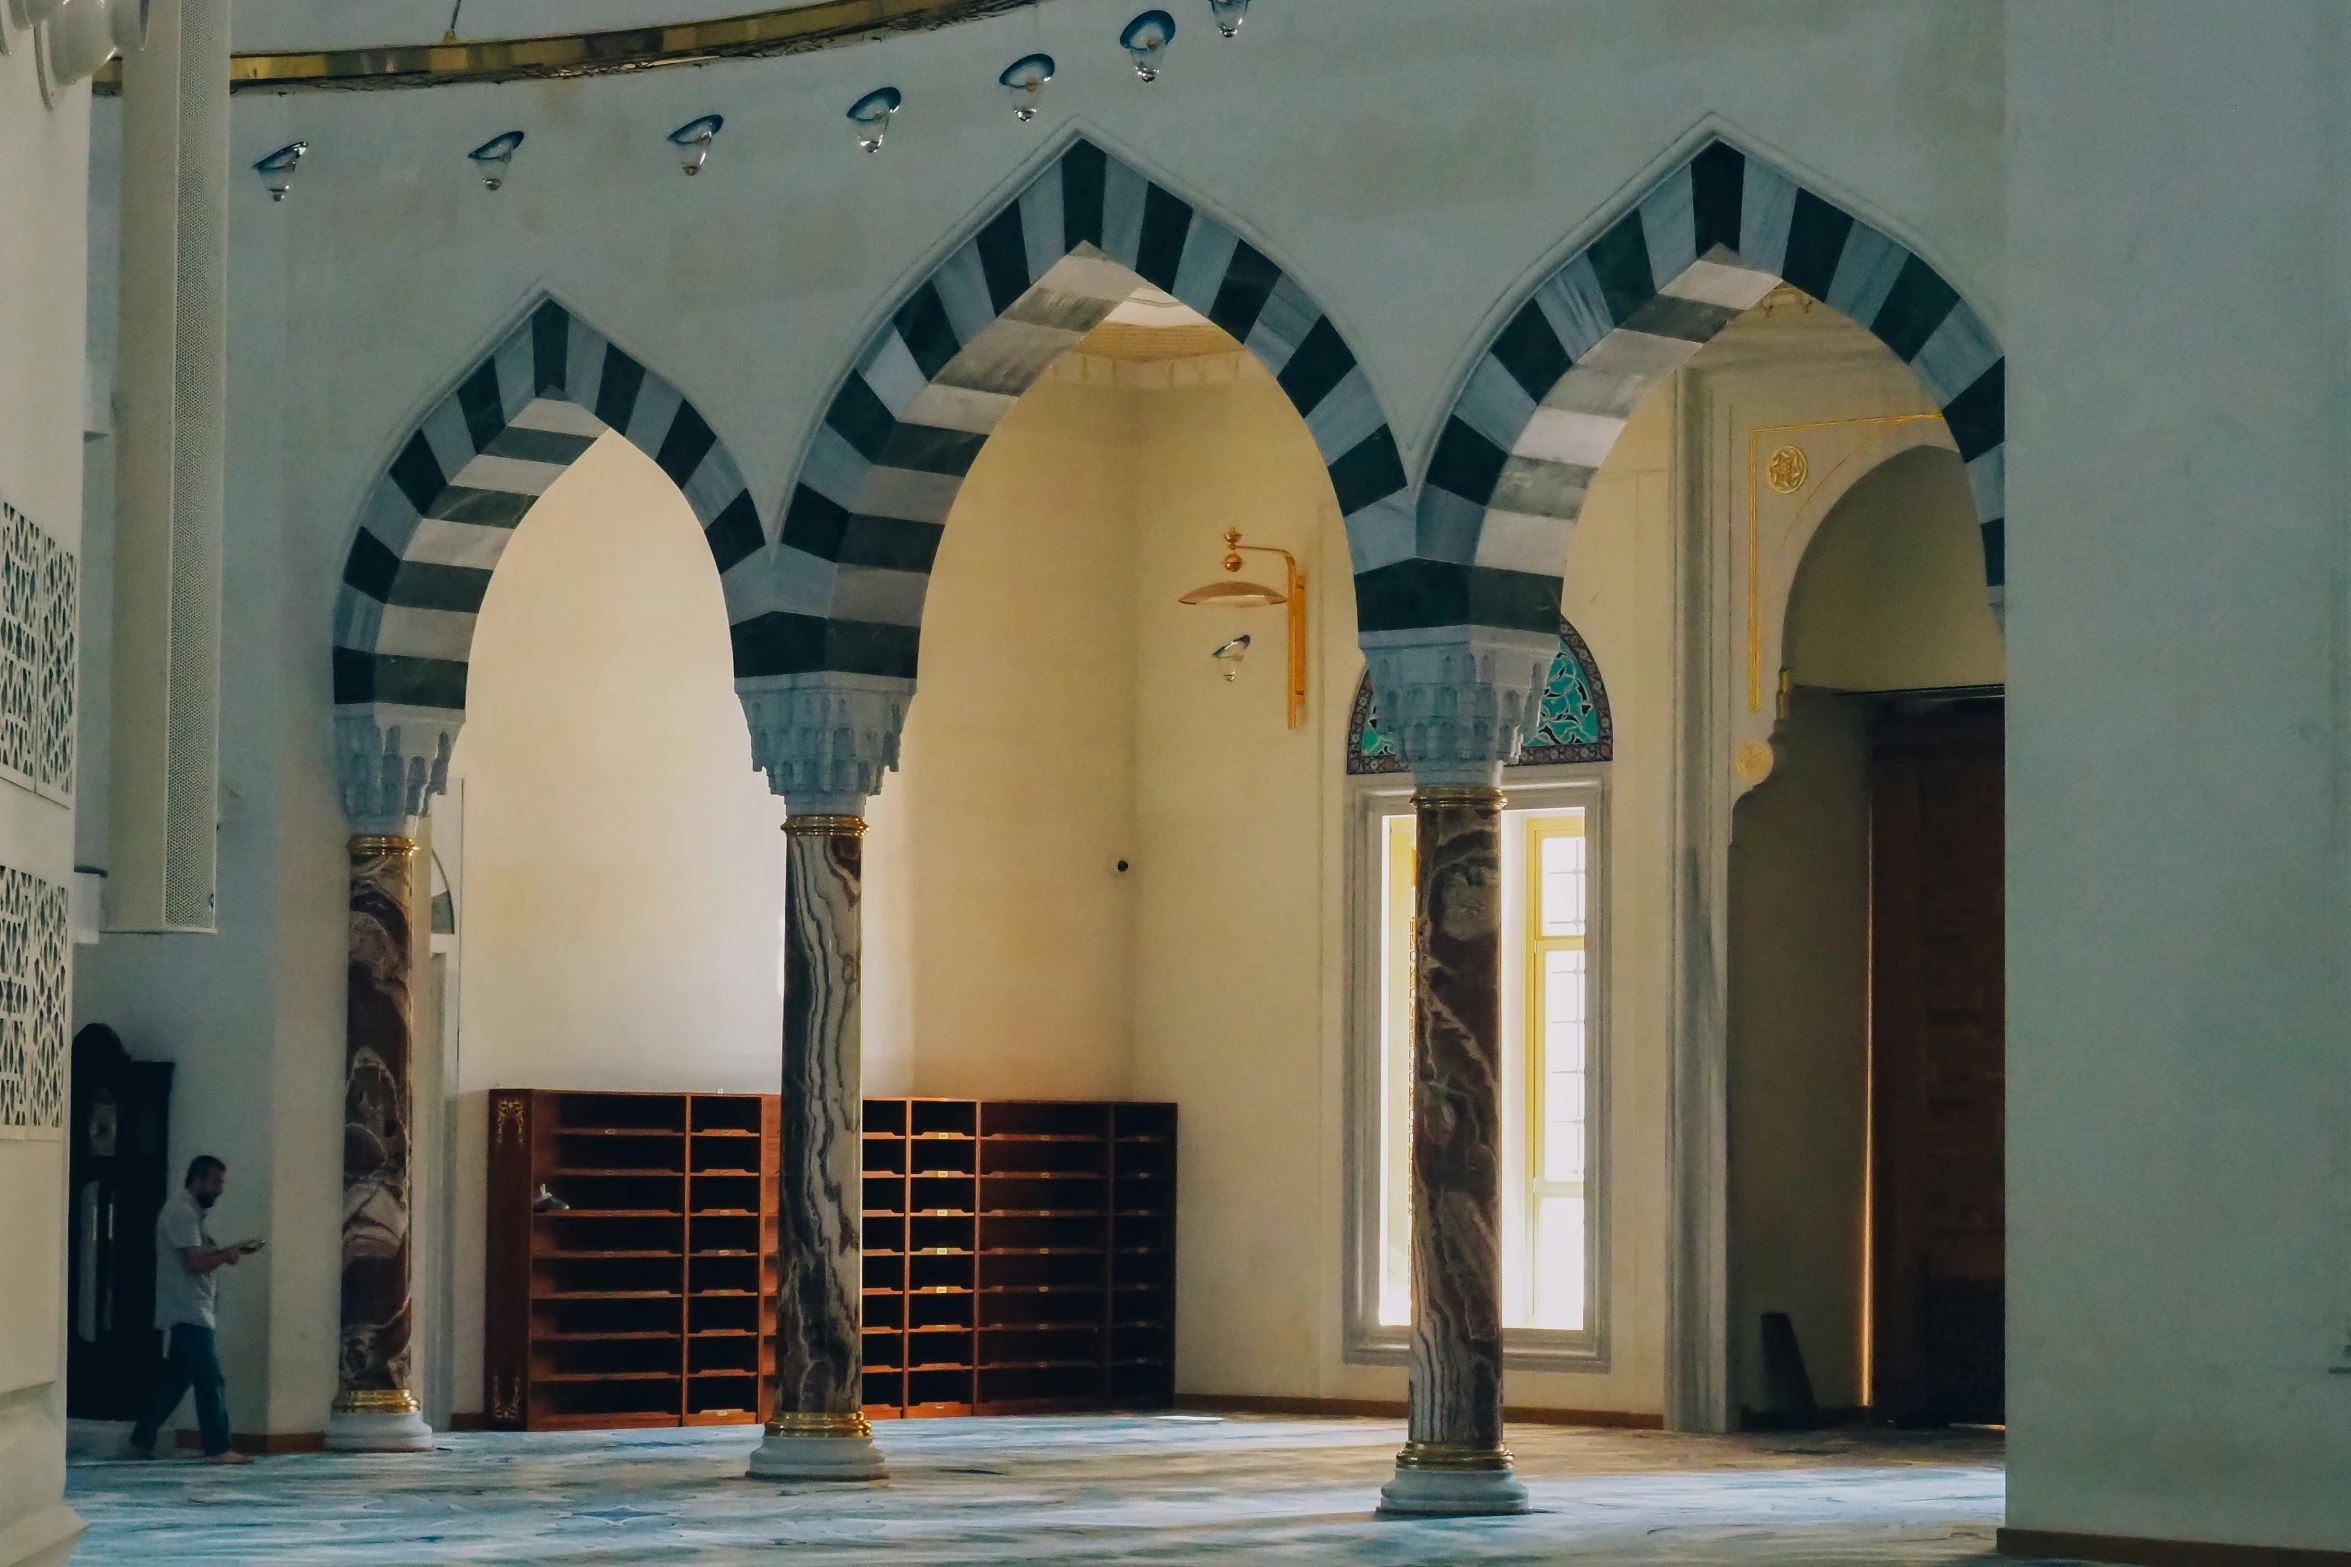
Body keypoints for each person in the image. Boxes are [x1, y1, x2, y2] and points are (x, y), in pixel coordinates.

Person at [127, 1155, 264, 1463]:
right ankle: (218, 1446)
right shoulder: (181, 1213)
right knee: (210, 1378)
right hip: (188, 1310)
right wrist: (226, 1254)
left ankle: (141, 1439)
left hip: (191, 1308)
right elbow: (193, 1262)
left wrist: (226, 1251)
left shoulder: (189, 1215)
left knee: (177, 1379)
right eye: (215, 1182)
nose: (219, 1190)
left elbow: (197, 1255)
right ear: (198, 1181)